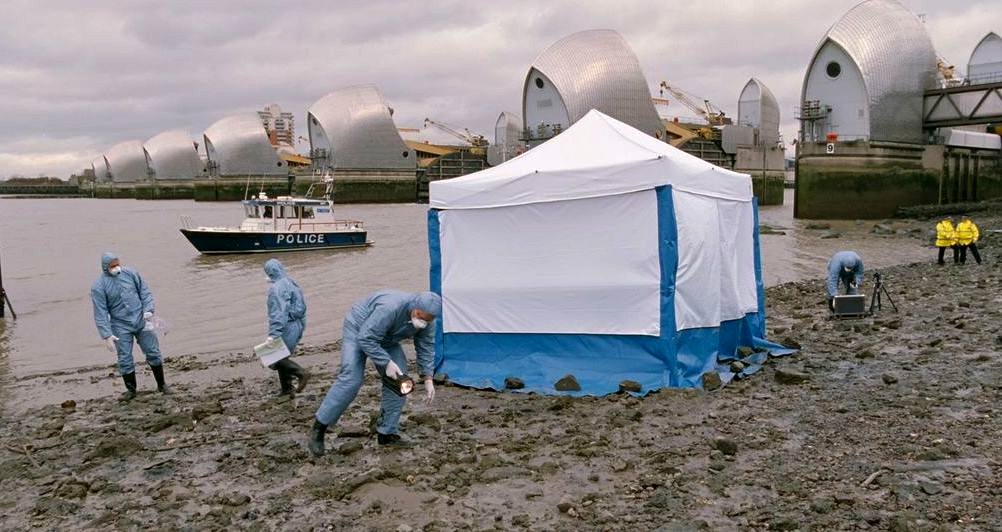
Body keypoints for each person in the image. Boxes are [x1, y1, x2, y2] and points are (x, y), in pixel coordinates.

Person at [308, 290, 441, 456]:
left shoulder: (428, 322)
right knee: (351, 379)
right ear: (414, 307)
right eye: (419, 316)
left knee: (401, 383)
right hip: (359, 329)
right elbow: (366, 338)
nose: (422, 322)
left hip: (388, 339)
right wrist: (386, 362)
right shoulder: (390, 308)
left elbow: (426, 347)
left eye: (427, 320)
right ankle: (319, 428)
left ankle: (387, 432)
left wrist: (428, 378)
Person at [91, 252, 170, 400]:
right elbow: (100, 312)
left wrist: (148, 310)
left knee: (153, 351)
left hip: (141, 320)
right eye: (112, 266)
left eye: (117, 264)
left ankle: (162, 384)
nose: (116, 268)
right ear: (105, 267)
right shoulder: (99, 286)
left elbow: (145, 292)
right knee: (125, 357)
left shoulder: (131, 273)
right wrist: (106, 335)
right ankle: (131, 390)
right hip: (120, 325)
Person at [263, 258, 310, 395]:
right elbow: (301, 307)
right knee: (281, 355)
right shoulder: (290, 282)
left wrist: (273, 335)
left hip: (287, 325)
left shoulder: (276, 288)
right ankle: (287, 388)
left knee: (274, 357)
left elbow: (278, 313)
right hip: (298, 323)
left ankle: (301, 373)